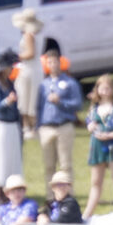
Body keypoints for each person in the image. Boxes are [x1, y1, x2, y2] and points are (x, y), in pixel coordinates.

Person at [82, 74, 113, 220]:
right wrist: (90, 127)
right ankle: (88, 212)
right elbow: (89, 121)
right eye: (102, 88)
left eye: (107, 88)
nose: (104, 91)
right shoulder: (94, 107)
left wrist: (110, 135)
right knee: (96, 181)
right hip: (97, 145)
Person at [34, 44, 82, 186]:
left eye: (55, 61)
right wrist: (38, 126)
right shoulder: (43, 85)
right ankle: (51, 198)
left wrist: (61, 102)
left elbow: (78, 104)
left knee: (65, 164)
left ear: (60, 62)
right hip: (46, 127)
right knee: (49, 166)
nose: (52, 65)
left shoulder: (69, 82)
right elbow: (39, 106)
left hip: (64, 125)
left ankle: (67, 196)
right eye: (49, 62)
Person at [0, 48, 24, 199]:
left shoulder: (9, 83)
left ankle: (11, 195)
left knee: (11, 161)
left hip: (12, 125)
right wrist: (8, 101)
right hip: (1, 126)